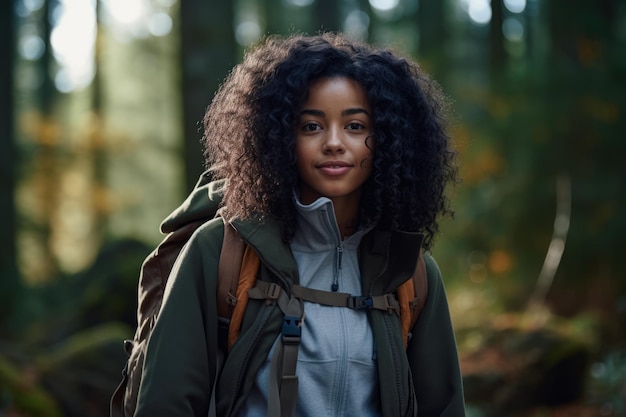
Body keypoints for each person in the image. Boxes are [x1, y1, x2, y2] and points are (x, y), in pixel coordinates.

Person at [133, 32, 465, 417]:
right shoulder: (219, 253)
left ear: (390, 139)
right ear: (277, 137)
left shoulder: (411, 274)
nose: (334, 143)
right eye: (311, 126)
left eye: (355, 126)